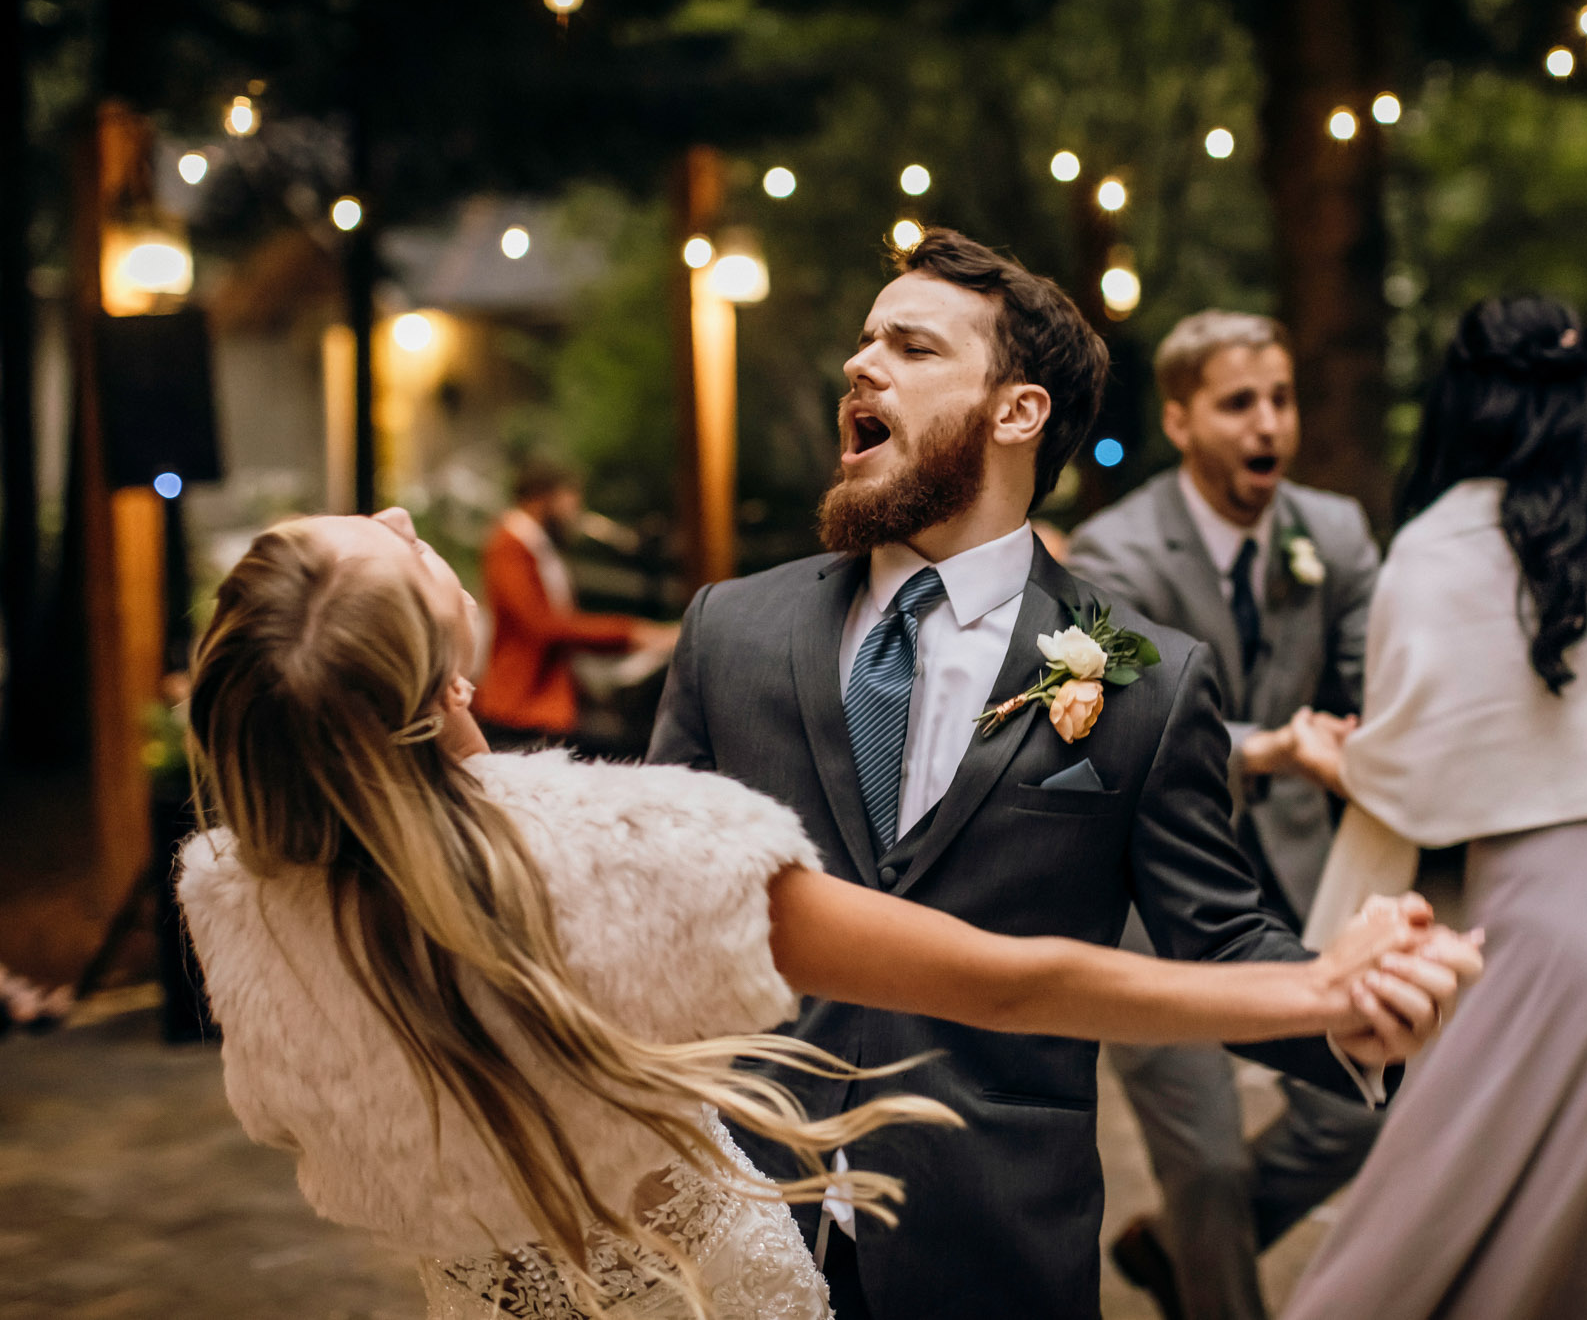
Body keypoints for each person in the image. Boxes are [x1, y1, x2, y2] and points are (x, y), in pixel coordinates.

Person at [177, 504, 1477, 1319]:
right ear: (448, 677)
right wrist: (1317, 988)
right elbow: (1002, 980)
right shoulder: (614, 849)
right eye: (392, 543)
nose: (408, 513)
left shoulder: (238, 909)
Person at [646, 229, 1483, 1320]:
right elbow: (646, 900)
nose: (861, 365)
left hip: (991, 1237)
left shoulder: (1147, 679)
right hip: (735, 1229)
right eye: (863, 342)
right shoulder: (730, 630)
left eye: (908, 346)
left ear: (1015, 413)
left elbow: (1218, 936)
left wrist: (1349, 1013)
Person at [1280, 297, 1587, 1320]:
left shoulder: (1432, 549)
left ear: (1460, 398)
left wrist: (1334, 758)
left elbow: (1416, 783)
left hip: (1560, 938)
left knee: (1422, 1243)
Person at [1066, 310, 1383, 1320]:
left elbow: (1370, 681)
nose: (1268, 424)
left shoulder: (1330, 534)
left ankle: (1178, 1257)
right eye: (1239, 402)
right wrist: (1271, 747)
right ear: (1180, 418)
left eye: (1280, 399)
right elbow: (1125, 720)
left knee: (1359, 1115)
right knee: (1203, 1161)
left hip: (1291, 880)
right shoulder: (1115, 551)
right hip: (1144, 899)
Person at [474, 458, 676, 750]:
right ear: (544, 498)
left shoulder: (535, 545)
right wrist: (633, 633)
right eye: (569, 498)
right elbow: (541, 626)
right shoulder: (510, 545)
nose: (575, 510)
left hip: (543, 703)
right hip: (522, 705)